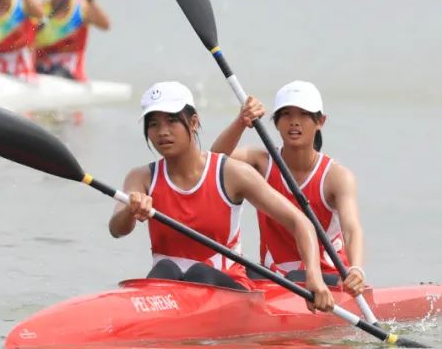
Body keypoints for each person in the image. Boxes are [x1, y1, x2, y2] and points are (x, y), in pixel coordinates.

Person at [109, 81, 334, 312]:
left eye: (172, 120)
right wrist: (130, 209)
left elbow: (300, 222)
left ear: (194, 122)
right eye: (153, 124)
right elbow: (117, 229)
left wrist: (314, 279)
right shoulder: (141, 177)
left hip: (228, 289)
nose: (162, 132)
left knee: (199, 272)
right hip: (167, 288)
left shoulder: (231, 173)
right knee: (165, 269)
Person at [211, 81, 366, 296]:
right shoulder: (261, 162)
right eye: (285, 115)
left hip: (327, 278)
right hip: (273, 277)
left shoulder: (337, 177)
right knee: (228, 273)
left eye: (303, 115)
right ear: (275, 122)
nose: (294, 122)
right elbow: (214, 162)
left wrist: (356, 270)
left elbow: (352, 228)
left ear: (320, 121)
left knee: (293, 278)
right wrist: (240, 122)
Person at [33, 0, 110, 81]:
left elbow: (106, 25)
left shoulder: (82, 9)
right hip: (41, 73)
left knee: (57, 72)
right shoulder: (39, 11)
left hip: (71, 75)